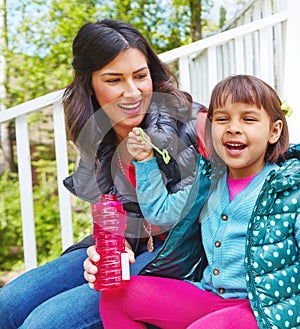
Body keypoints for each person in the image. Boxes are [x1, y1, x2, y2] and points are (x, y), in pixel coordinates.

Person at [0, 19, 207, 329]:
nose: (132, 91)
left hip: (185, 250)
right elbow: (107, 210)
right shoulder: (97, 133)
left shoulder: (196, 122)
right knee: (9, 304)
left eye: (140, 76)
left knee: (45, 323)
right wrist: (109, 244)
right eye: (114, 80)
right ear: (90, 85)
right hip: (131, 246)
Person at [97, 75, 300, 329]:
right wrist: (146, 160)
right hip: (209, 296)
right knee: (117, 298)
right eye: (222, 119)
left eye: (248, 119)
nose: (233, 128)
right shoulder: (208, 183)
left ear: (274, 131)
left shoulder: (288, 188)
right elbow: (160, 213)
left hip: (261, 310)